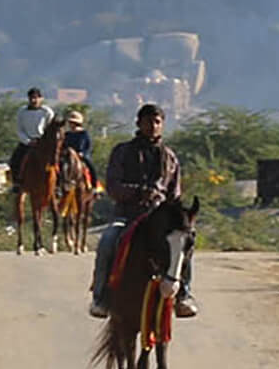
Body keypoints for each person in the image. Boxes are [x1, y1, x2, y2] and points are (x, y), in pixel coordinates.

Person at [89, 103, 196, 319]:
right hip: (127, 215)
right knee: (108, 241)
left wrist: (168, 205)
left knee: (185, 241)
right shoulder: (122, 151)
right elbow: (113, 186)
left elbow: (174, 193)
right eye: (148, 121)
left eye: (157, 122)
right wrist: (138, 193)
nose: (153, 126)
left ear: (162, 125)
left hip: (160, 219)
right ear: (138, 123)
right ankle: (100, 297)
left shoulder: (170, 157)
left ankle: (183, 294)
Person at [7, 87, 54, 184]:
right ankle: (17, 183)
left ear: (41, 99)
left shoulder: (47, 112)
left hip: (43, 143)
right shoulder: (22, 112)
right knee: (15, 160)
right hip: (27, 143)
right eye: (31, 98)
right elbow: (20, 129)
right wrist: (28, 141)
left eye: (36, 98)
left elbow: (50, 129)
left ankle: (59, 184)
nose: (33, 100)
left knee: (57, 160)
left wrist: (43, 140)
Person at [61, 109, 97, 191]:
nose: (71, 124)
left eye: (72, 122)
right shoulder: (67, 134)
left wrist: (83, 153)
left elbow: (88, 146)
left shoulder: (84, 134)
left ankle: (94, 185)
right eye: (70, 122)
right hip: (68, 155)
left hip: (80, 154)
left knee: (90, 166)